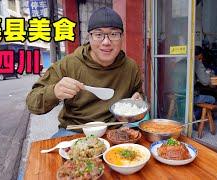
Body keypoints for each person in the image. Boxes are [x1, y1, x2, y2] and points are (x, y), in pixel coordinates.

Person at [26, 7, 144, 138]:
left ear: (122, 37)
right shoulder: (68, 64)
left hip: (115, 130)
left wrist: (138, 102)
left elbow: (139, 97)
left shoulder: (131, 67)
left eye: (114, 34)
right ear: (90, 37)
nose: (106, 42)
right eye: (98, 35)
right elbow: (32, 102)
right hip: (75, 131)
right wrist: (54, 92)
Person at [194, 46, 216, 119]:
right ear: (200, 55)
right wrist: (209, 73)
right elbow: (205, 82)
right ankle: (194, 117)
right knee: (212, 99)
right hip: (188, 97)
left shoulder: (182, 60)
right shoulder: (196, 62)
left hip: (176, 94)